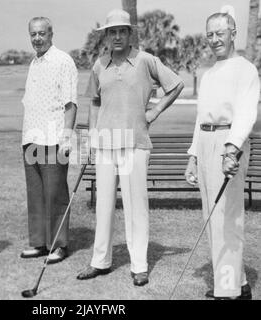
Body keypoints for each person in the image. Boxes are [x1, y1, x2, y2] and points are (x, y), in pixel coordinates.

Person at [76, 9, 184, 286]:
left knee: (136, 205)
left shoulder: (146, 60)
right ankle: (100, 261)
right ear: (107, 36)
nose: (118, 36)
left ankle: (139, 265)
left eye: (123, 31)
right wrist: (91, 137)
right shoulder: (100, 65)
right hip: (105, 145)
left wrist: (155, 111)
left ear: (130, 33)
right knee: (104, 205)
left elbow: (176, 84)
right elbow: (95, 102)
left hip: (134, 143)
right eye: (113, 32)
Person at [185, 6, 259, 300]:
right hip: (205, 144)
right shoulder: (209, 73)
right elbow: (201, 118)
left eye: (220, 33)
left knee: (228, 219)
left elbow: (245, 113)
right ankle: (238, 284)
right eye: (210, 34)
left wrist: (231, 150)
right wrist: (193, 156)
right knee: (212, 217)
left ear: (233, 34)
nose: (214, 39)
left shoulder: (245, 69)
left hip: (230, 144)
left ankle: (227, 291)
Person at [20, 17, 78, 264]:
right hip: (31, 138)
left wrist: (66, 136)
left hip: (54, 140)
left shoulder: (63, 60)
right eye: (33, 34)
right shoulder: (34, 62)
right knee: (36, 194)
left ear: (51, 34)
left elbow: (70, 103)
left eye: (41, 33)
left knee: (55, 194)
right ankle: (39, 243)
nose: (37, 38)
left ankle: (59, 245)